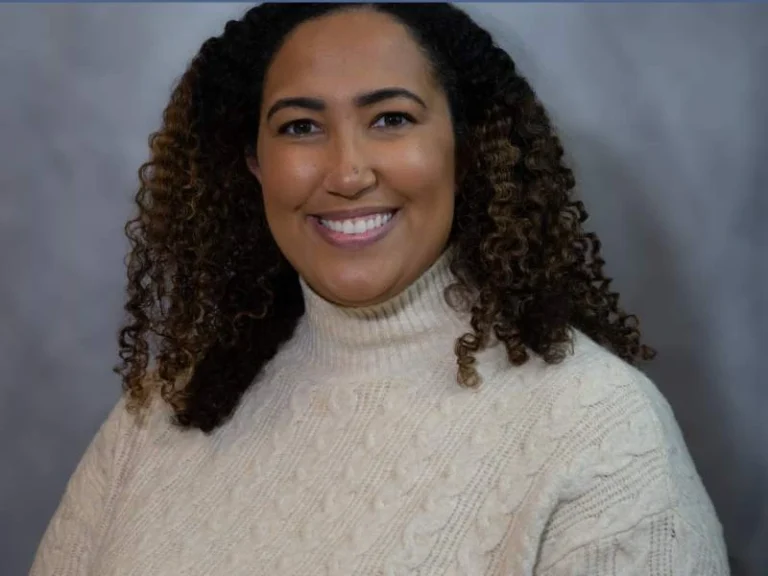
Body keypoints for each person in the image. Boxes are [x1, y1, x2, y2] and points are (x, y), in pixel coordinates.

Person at [31, 3, 729, 575]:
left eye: (391, 119)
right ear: (253, 162)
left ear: (467, 145)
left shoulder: (598, 429)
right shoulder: (159, 413)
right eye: (300, 127)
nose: (346, 171)